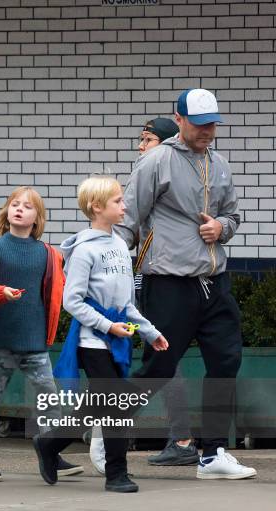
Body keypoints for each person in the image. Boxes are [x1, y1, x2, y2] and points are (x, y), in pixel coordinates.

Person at [117, 88, 257, 480]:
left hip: (214, 281)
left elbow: (231, 214)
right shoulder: (157, 161)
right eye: (199, 124)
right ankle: (92, 428)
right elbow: (129, 218)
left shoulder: (221, 164)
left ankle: (212, 454)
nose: (207, 131)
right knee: (159, 367)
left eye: (212, 123)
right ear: (179, 120)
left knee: (226, 361)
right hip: (169, 282)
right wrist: (105, 261)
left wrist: (221, 227)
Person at [33, 175, 169, 494]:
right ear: (96, 208)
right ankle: (116, 473)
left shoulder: (121, 246)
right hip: (93, 342)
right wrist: (107, 326)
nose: (124, 206)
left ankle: (50, 443)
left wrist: (149, 332)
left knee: (96, 407)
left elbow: (126, 305)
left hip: (117, 341)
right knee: (116, 404)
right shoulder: (84, 251)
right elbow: (72, 301)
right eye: (118, 201)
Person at [89, 117, 199, 472]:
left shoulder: (159, 177)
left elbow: (128, 226)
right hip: (154, 275)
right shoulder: (167, 177)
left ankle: (175, 438)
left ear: (166, 145)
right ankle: (180, 439)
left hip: (160, 277)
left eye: (147, 139)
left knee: (161, 356)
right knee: (165, 356)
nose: (141, 146)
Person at [0, 186, 83, 482]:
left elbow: (58, 293)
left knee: (50, 401)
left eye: (27, 206)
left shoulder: (47, 254)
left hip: (34, 343)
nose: (19, 209)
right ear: (6, 211)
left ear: (37, 218)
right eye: (14, 204)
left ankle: (51, 453)